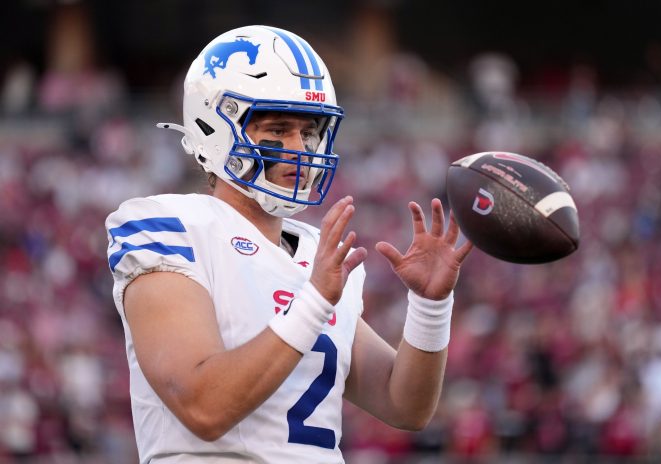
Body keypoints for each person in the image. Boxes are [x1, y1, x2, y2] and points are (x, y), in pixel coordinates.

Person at [105, 25, 472, 463]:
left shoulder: (317, 255)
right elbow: (203, 407)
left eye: (308, 130)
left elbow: (404, 405)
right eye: (277, 129)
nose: (300, 147)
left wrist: (430, 307)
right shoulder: (173, 227)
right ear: (213, 127)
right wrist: (313, 300)